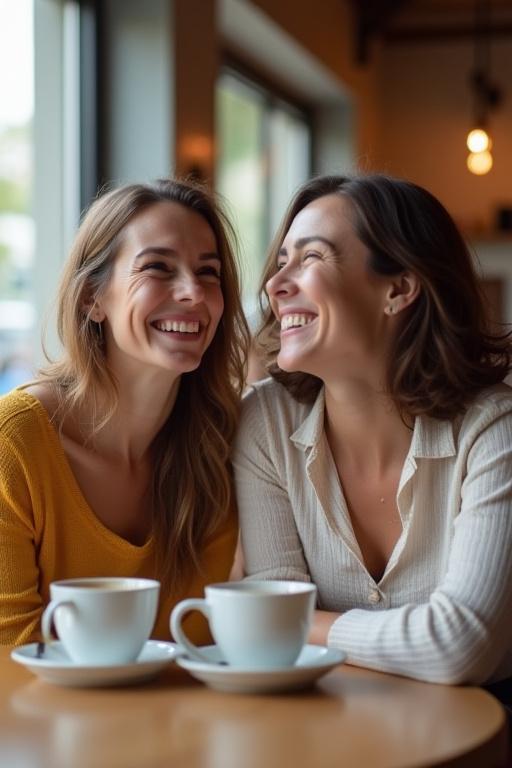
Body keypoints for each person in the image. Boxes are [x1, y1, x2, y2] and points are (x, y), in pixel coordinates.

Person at [234, 173, 512, 689]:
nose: (275, 285)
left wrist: (306, 624)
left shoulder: (495, 429)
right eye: (280, 263)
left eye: (311, 258)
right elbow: (271, 632)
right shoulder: (265, 423)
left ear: (399, 288)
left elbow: (461, 647)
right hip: (326, 728)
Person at [0, 177, 249, 646]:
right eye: (158, 267)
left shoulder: (219, 443)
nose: (193, 292)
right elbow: (9, 662)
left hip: (174, 717)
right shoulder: (13, 442)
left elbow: (192, 649)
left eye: (208, 272)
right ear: (92, 299)